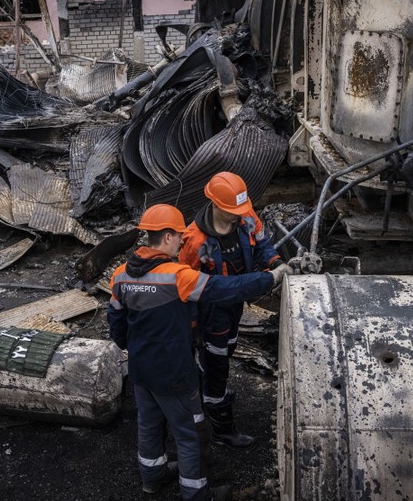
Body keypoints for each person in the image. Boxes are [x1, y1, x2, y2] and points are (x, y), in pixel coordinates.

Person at [108, 204, 290, 501]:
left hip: (141, 368)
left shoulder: (120, 276)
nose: (183, 240)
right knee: (191, 433)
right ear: (166, 237)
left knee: (149, 424)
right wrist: (270, 278)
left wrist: (135, 347)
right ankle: (197, 494)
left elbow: (116, 324)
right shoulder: (176, 277)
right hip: (175, 373)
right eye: (179, 236)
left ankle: (152, 479)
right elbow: (222, 288)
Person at [179, 171, 289, 449]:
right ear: (216, 204)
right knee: (217, 363)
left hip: (236, 304)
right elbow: (186, 288)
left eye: (241, 209)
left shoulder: (247, 217)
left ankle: (207, 381)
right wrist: (192, 326)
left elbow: (262, 246)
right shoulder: (195, 241)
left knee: (225, 349)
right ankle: (221, 429)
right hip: (212, 309)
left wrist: (275, 262)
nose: (238, 215)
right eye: (232, 211)